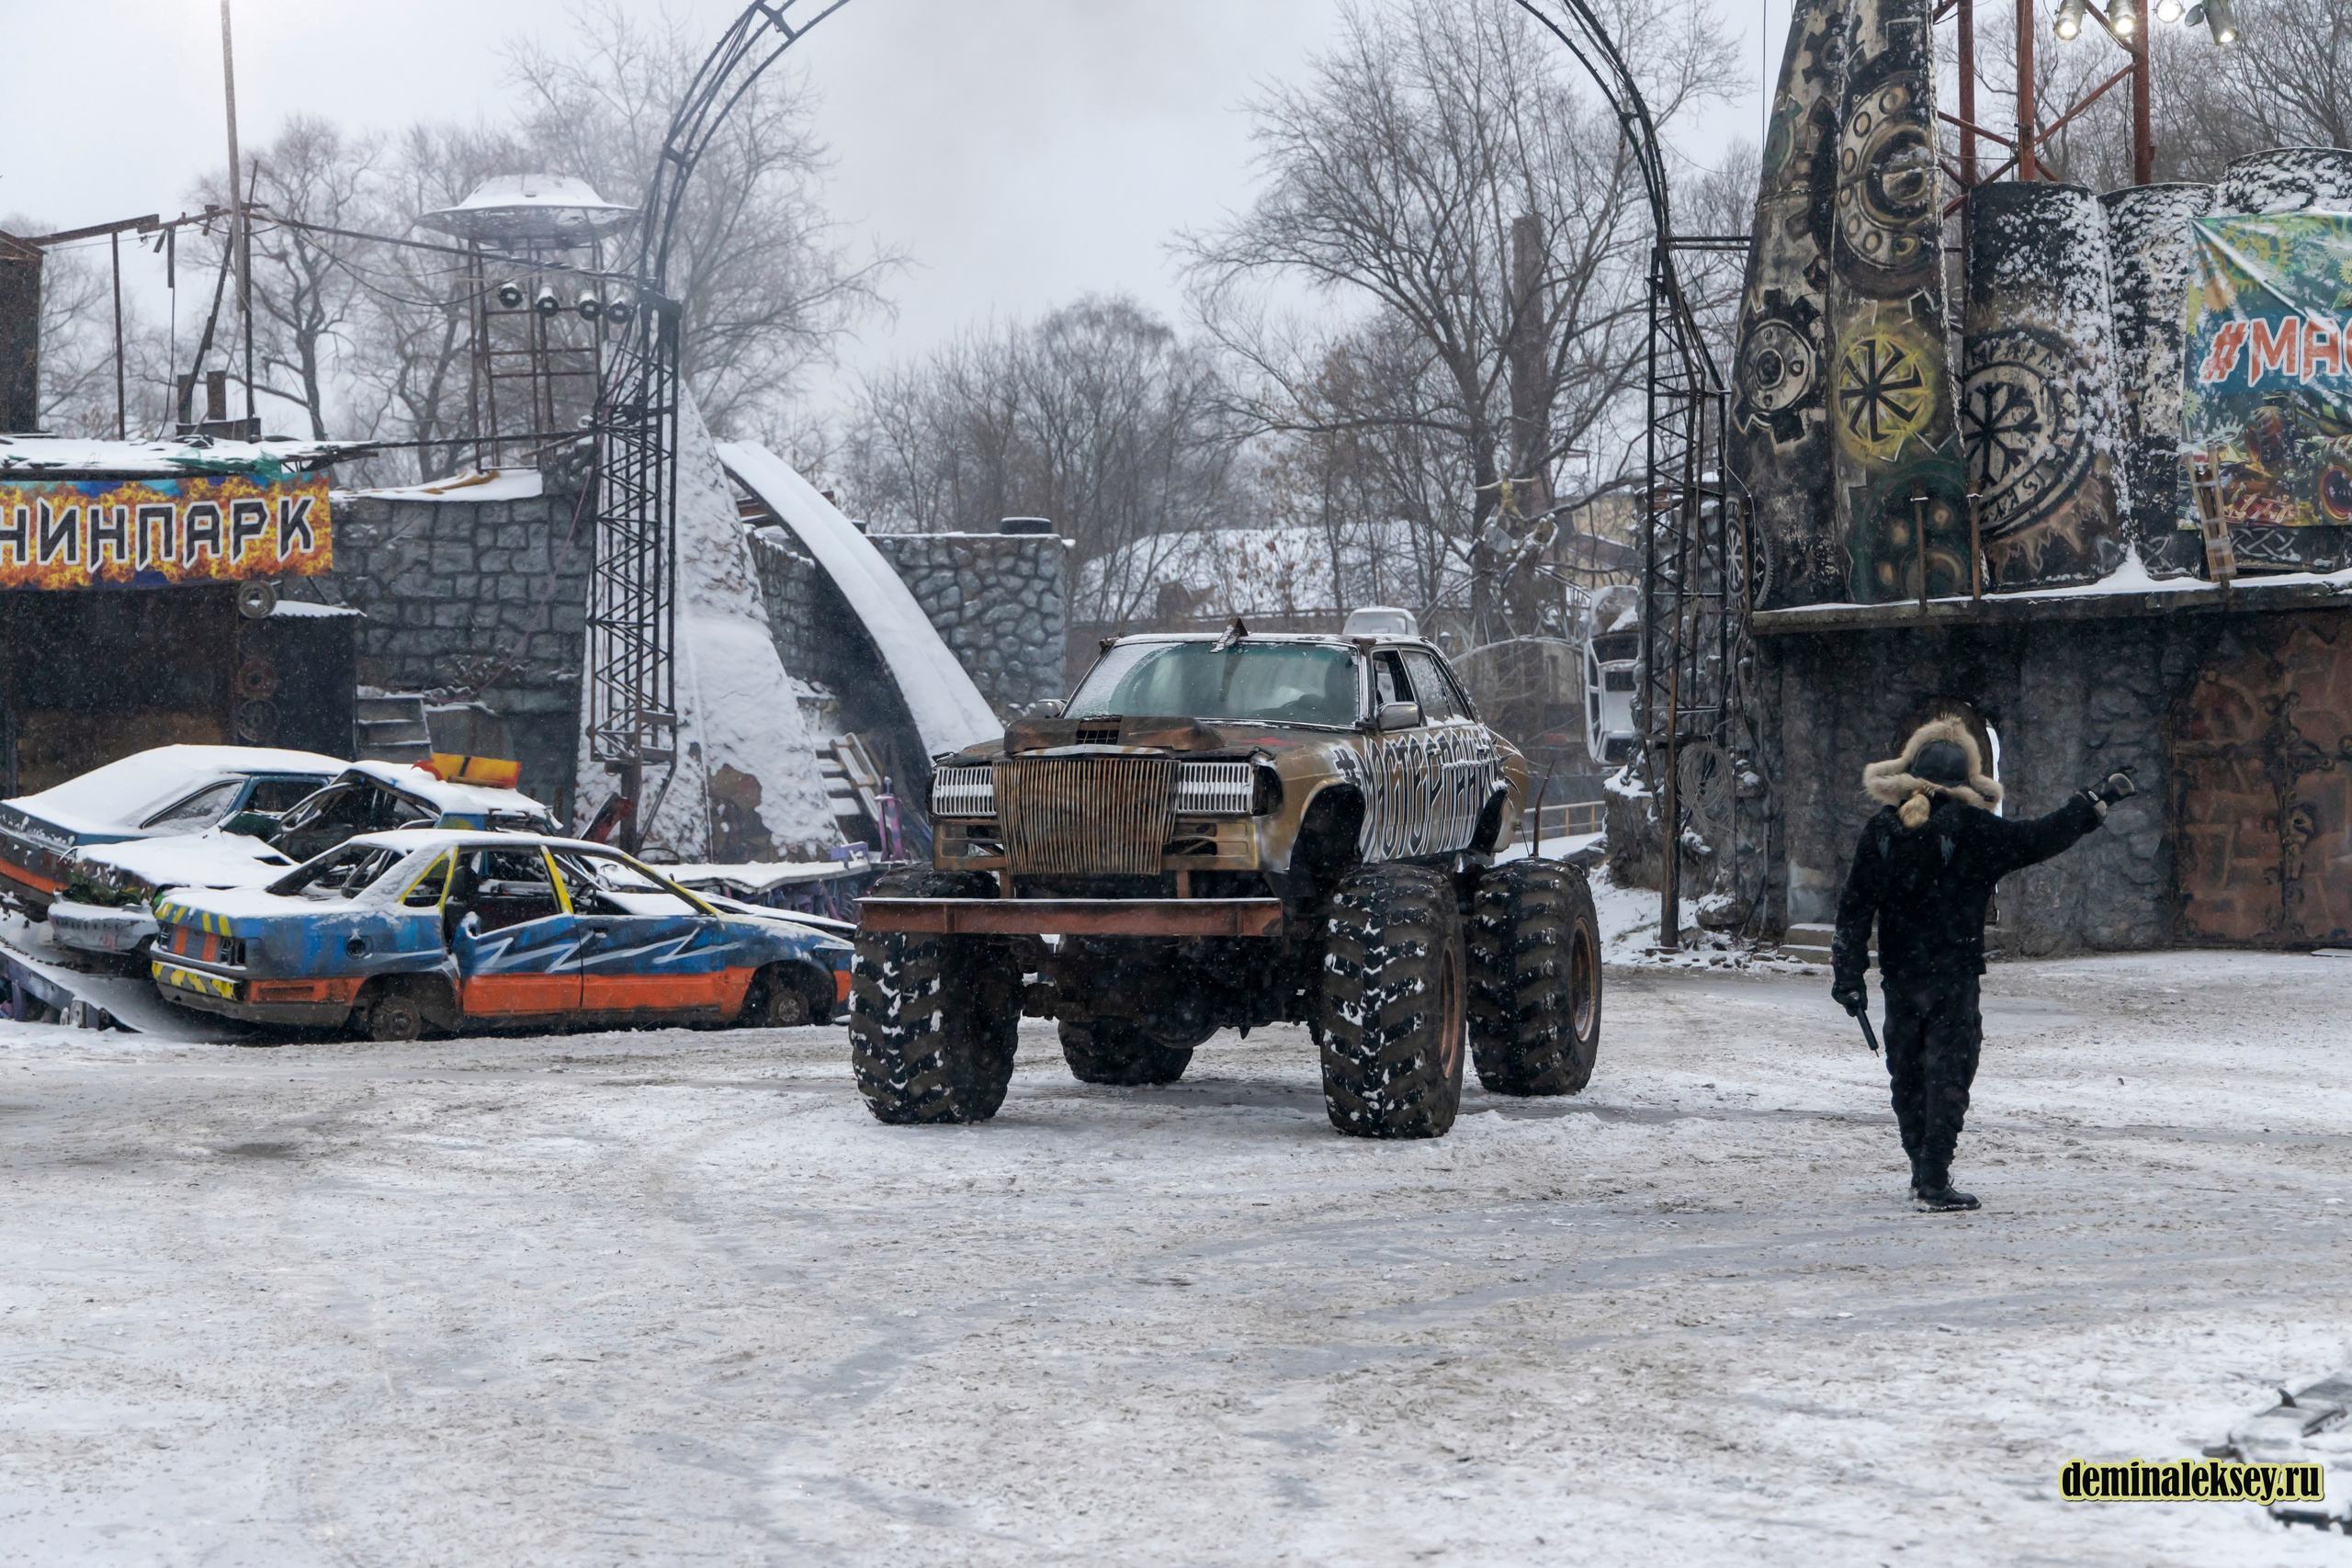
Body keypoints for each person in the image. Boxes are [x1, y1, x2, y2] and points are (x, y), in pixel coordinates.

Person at [1830, 717, 2136, 1213]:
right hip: (1953, 977)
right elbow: (2039, 837)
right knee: (1948, 1073)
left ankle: (1919, 1171)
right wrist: (2091, 803)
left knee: (1907, 1073)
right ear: (1967, 780)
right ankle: (1933, 1177)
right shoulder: (1976, 832)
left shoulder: (1882, 831)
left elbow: (1854, 906)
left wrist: (1848, 975)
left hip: (1901, 975)